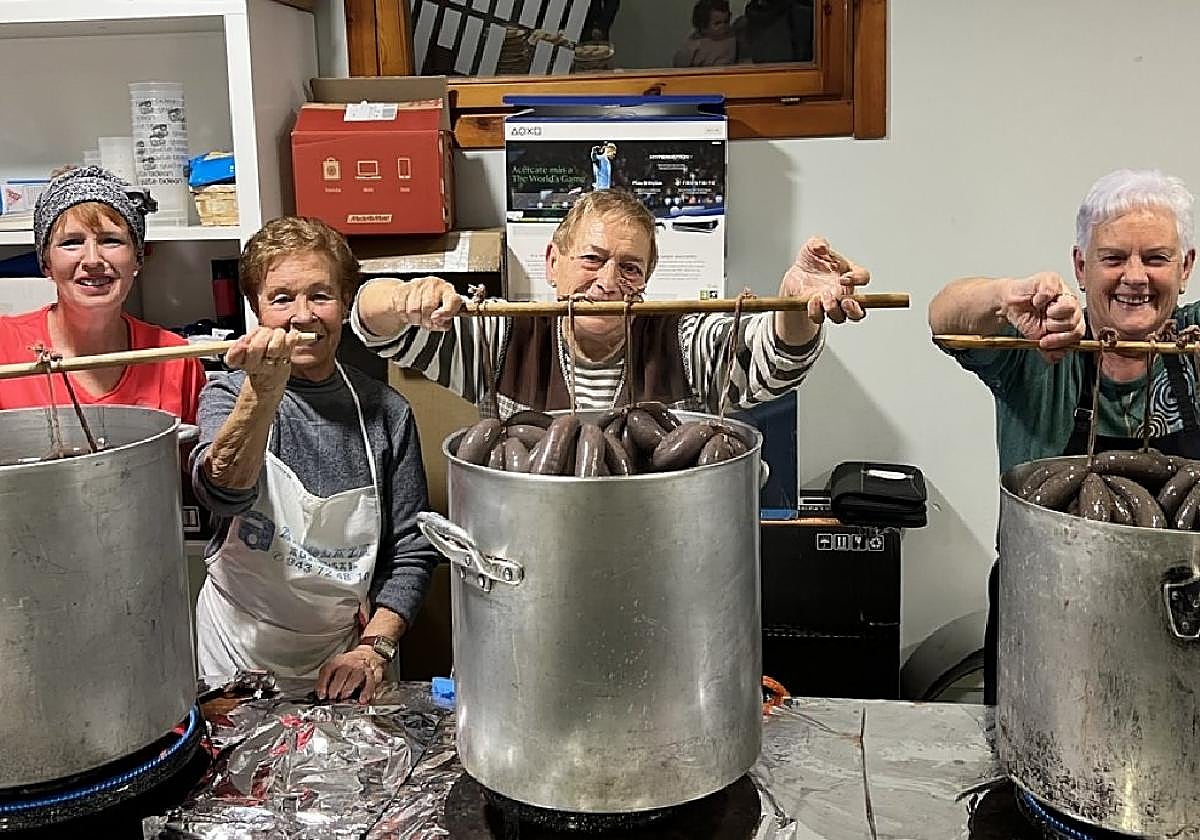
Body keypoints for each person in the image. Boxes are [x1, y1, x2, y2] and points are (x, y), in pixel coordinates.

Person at [927, 168, 1197, 704]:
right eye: (1114, 258)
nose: (1135, 277)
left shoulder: (1194, 348)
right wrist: (1008, 295)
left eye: (1157, 258)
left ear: (1185, 267)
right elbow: (943, 315)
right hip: (1046, 635)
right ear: (1081, 264)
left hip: (1180, 634)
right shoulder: (1041, 349)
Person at [190, 216, 438, 703]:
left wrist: (374, 647)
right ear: (256, 308)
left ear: (345, 305)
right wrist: (261, 393)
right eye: (281, 298)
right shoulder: (228, 391)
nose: (303, 315)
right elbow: (221, 493)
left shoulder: (386, 412)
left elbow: (411, 550)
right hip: (235, 657)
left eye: (320, 295)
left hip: (343, 659)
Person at [350, 189, 870, 419]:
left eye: (629, 267)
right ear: (552, 261)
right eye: (591, 259)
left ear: (646, 278)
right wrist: (403, 296)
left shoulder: (682, 341)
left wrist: (794, 307)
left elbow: (771, 360)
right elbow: (372, 326)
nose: (607, 282)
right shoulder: (503, 338)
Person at [0, 166, 205, 423]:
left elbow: (188, 461)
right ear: (46, 263)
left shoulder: (175, 358)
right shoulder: (3, 349)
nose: (93, 260)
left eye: (111, 241)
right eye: (71, 242)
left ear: (137, 259)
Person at [673, 0, 737, 68]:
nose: (723, 26)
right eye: (717, 23)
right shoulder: (695, 42)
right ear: (703, 27)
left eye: (726, 21)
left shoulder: (731, 37)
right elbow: (679, 64)